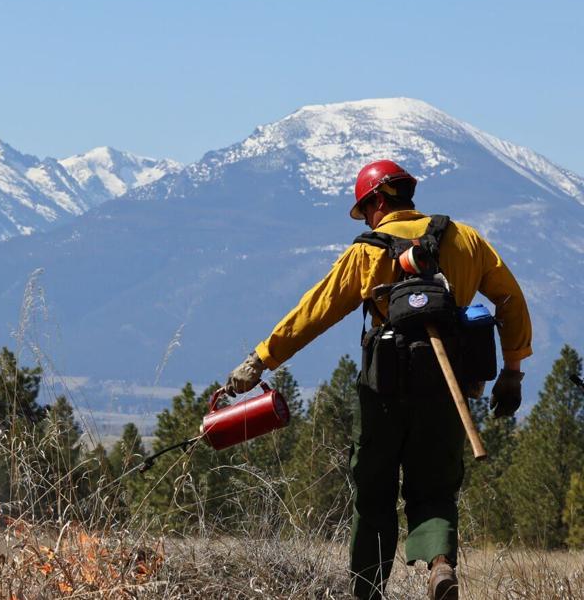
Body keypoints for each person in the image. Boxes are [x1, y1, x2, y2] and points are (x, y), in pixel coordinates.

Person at [224, 160, 532, 600]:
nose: (366, 218)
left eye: (365, 210)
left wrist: (261, 359)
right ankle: (440, 564)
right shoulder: (466, 240)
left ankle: (368, 590)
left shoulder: (365, 253)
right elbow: (510, 298)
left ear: (378, 201)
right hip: (448, 392)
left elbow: (315, 311)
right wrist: (513, 371)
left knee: (373, 493)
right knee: (436, 486)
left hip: (381, 392)